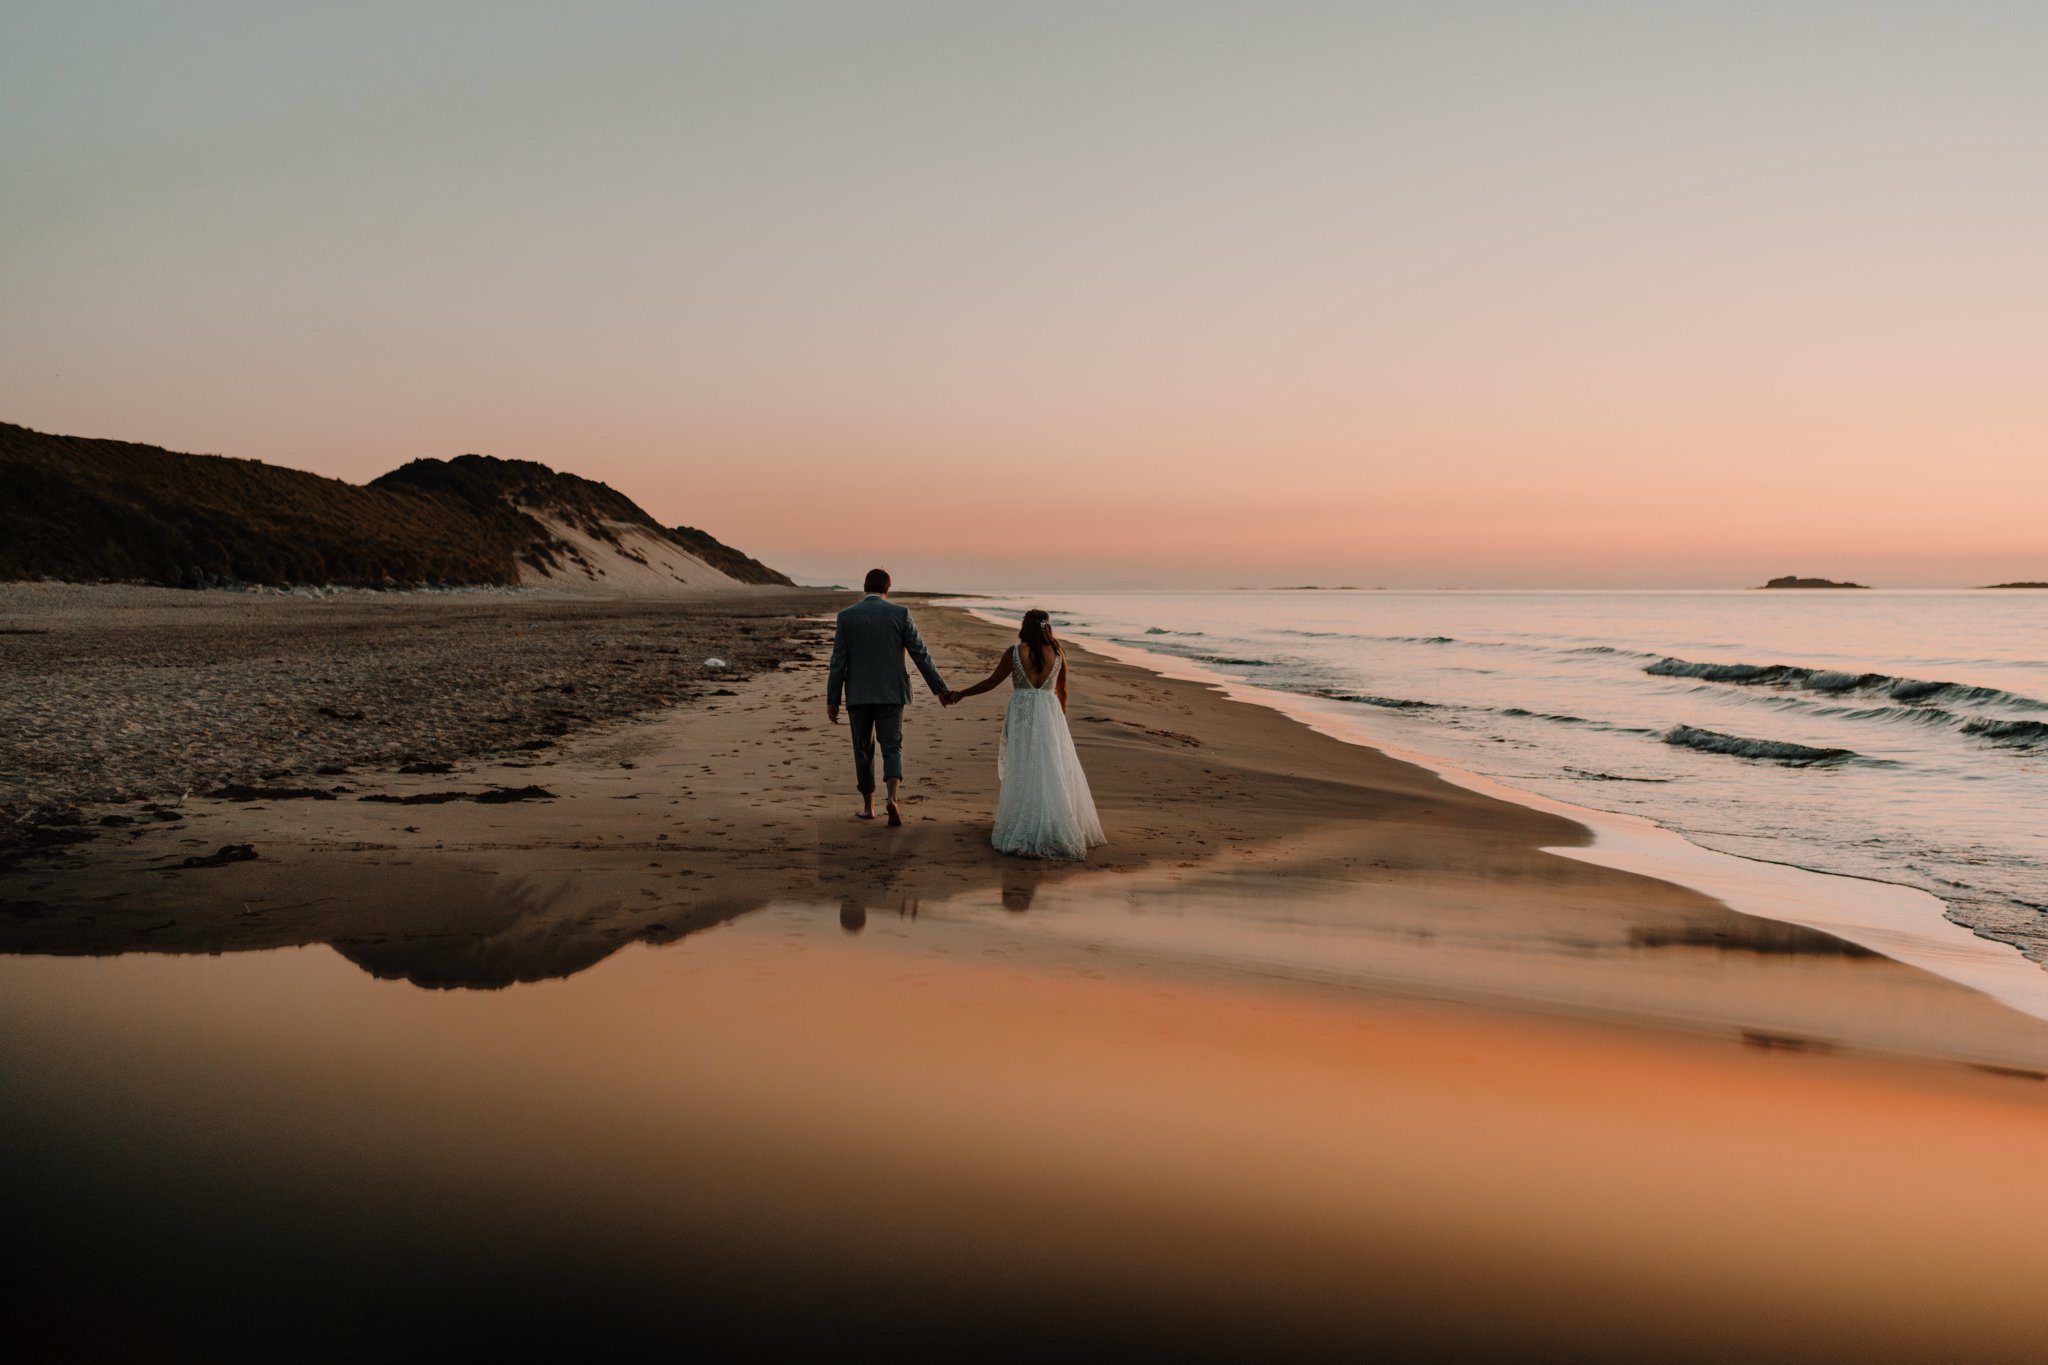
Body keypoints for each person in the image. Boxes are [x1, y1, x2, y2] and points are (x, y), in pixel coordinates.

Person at [945, 609, 1105, 860]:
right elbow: (1063, 692)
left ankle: (1025, 817)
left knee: (1023, 765)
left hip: (1023, 713)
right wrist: (1058, 720)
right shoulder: (1059, 653)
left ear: (1024, 627)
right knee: (1051, 768)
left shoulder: (1015, 653)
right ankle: (1055, 818)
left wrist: (961, 693)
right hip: (1050, 714)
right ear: (1046, 627)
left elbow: (990, 682)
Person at [825, 568, 952, 826]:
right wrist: (939, 689)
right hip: (892, 693)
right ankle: (892, 798)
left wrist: (833, 698)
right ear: (888, 589)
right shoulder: (900, 614)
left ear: (864, 587)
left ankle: (868, 807)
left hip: (859, 694)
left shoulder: (847, 617)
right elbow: (920, 654)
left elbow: (838, 661)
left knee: (863, 749)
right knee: (892, 746)